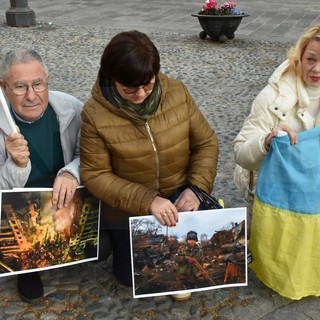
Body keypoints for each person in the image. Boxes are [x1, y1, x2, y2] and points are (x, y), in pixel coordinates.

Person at [80, 30, 219, 301]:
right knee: (131, 277)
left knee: (190, 266)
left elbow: (206, 143)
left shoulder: (177, 92)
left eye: (148, 84)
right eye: (129, 89)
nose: (141, 94)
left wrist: (196, 188)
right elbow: (96, 175)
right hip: (127, 209)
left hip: (179, 195)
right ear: (111, 78)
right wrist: (148, 201)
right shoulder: (94, 114)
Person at [233, 23, 320, 299]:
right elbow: (240, 152)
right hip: (270, 181)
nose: (317, 69)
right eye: (311, 59)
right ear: (299, 56)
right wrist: (267, 141)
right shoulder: (274, 96)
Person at [0, 49, 83, 302]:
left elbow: (91, 155)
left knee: (104, 249)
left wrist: (71, 172)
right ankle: (27, 269)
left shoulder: (72, 108)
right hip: (21, 213)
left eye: (38, 84)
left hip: (62, 203)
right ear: (4, 87)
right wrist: (16, 164)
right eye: (20, 87)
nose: (31, 96)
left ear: (47, 81)